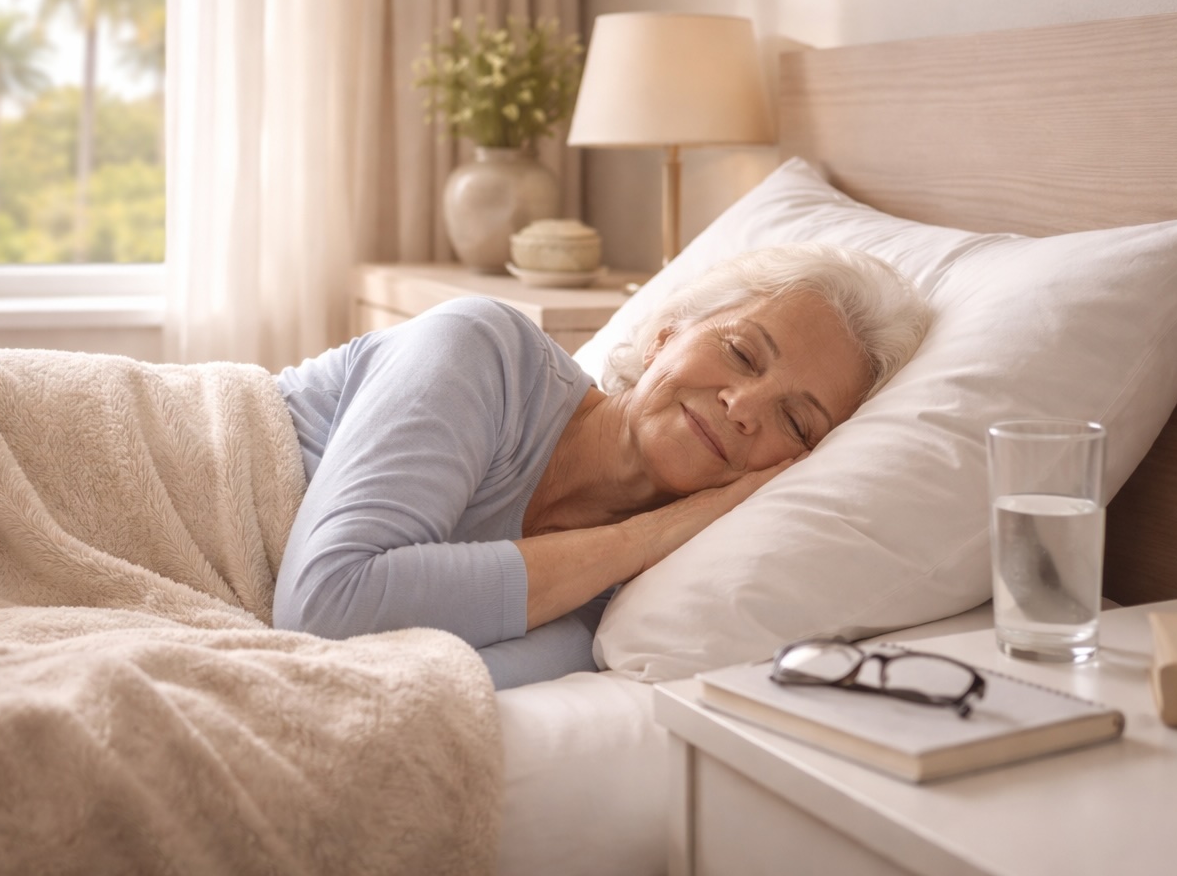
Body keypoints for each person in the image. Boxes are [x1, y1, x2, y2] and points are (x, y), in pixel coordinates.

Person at [273, 242, 933, 689]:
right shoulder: (483, 351)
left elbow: (376, 684)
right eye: (740, 352)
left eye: (795, 420)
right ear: (666, 334)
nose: (744, 406)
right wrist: (654, 532)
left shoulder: (610, 619)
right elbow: (326, 604)